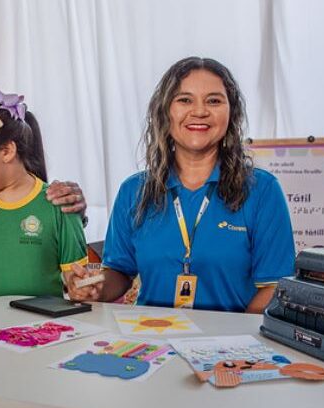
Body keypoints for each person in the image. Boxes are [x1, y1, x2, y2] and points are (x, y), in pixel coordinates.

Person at [67, 57, 295, 313]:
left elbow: (275, 286)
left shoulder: (262, 191)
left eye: (214, 100)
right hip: (150, 341)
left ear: (232, 113)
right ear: (165, 111)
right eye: (185, 100)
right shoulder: (134, 191)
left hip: (228, 347)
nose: (199, 111)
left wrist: (236, 341)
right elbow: (118, 271)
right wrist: (95, 287)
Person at [0, 91, 88, 304]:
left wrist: (85, 286)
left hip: (42, 332)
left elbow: (84, 276)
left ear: (7, 150)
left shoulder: (60, 204)